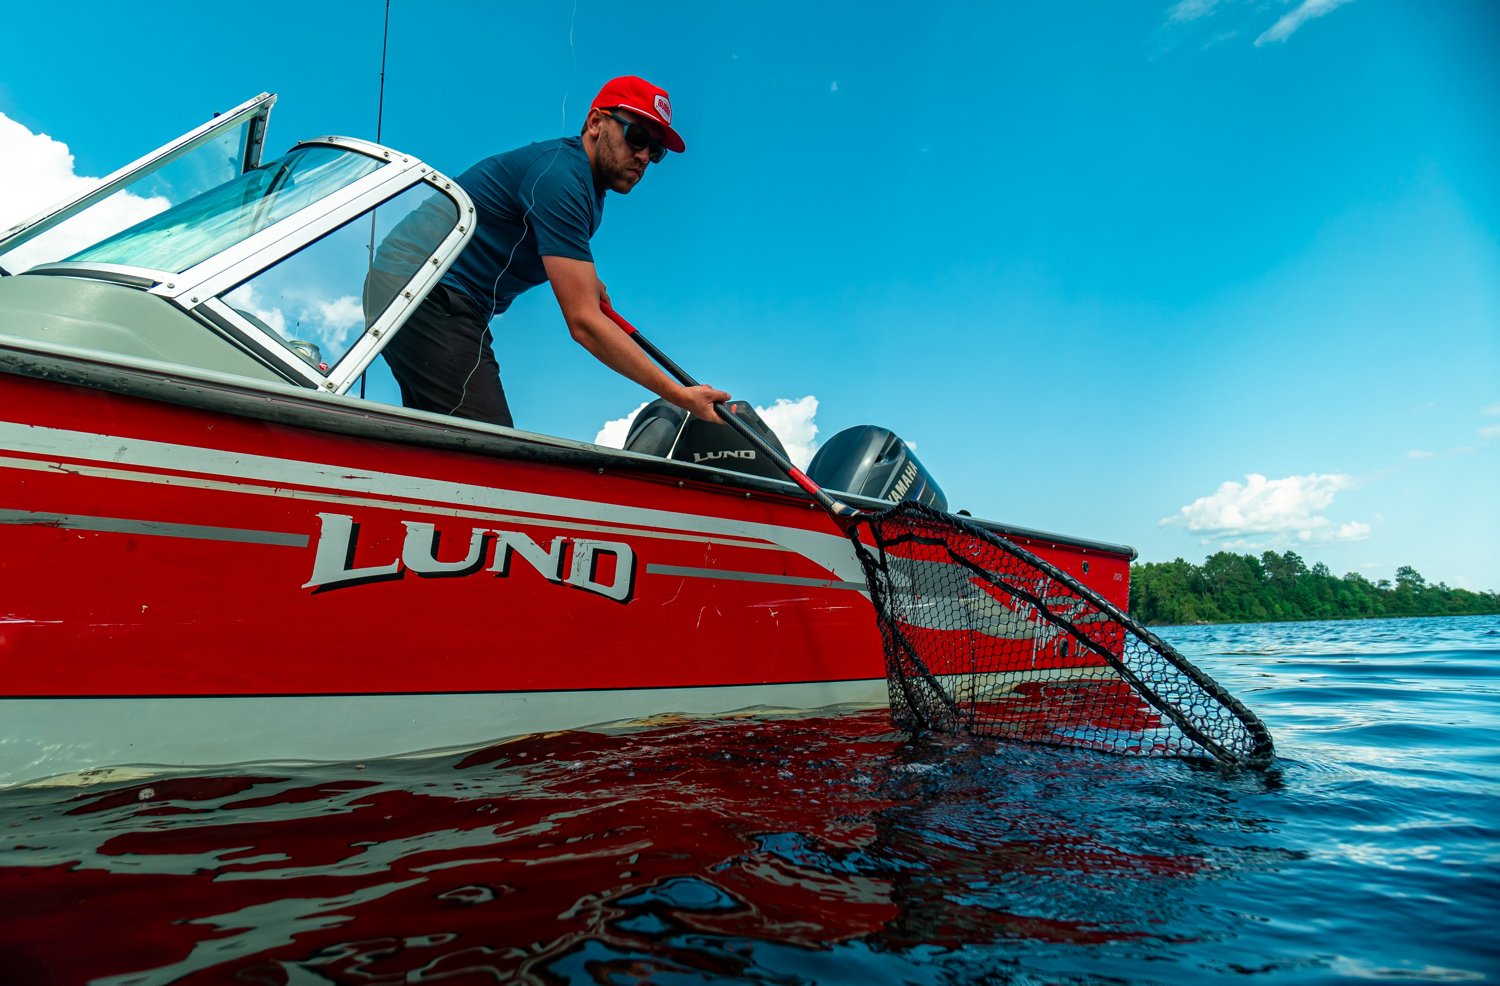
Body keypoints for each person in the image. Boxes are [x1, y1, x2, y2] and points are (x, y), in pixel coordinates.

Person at [368, 76, 728, 430]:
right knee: (491, 445)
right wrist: (679, 395)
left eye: (656, 151)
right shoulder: (561, 178)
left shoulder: (584, 185)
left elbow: (554, 244)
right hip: (424, 290)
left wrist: (589, 280)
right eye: (637, 137)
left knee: (448, 440)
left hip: (428, 293)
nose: (644, 156)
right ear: (596, 123)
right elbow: (584, 323)